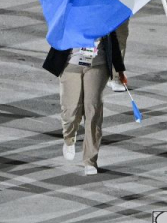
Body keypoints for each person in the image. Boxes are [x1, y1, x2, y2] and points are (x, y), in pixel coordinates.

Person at [42, 31, 127, 176]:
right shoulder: (69, 9)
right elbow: (55, 32)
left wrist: (119, 69)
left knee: (93, 110)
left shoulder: (103, 10)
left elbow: (113, 37)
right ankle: (69, 138)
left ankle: (90, 160)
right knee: (71, 111)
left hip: (97, 64)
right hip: (70, 64)